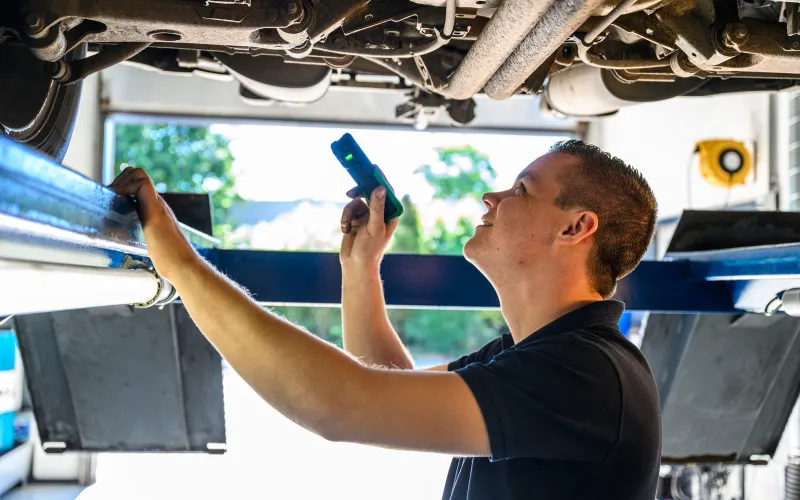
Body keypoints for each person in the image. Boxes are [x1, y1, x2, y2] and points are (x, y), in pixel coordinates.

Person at [109, 139, 661, 500]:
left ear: (576, 228)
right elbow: (388, 380)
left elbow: (338, 404)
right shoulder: (543, 357)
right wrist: (361, 266)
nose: (492, 198)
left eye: (521, 190)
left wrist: (179, 264)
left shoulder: (584, 374)